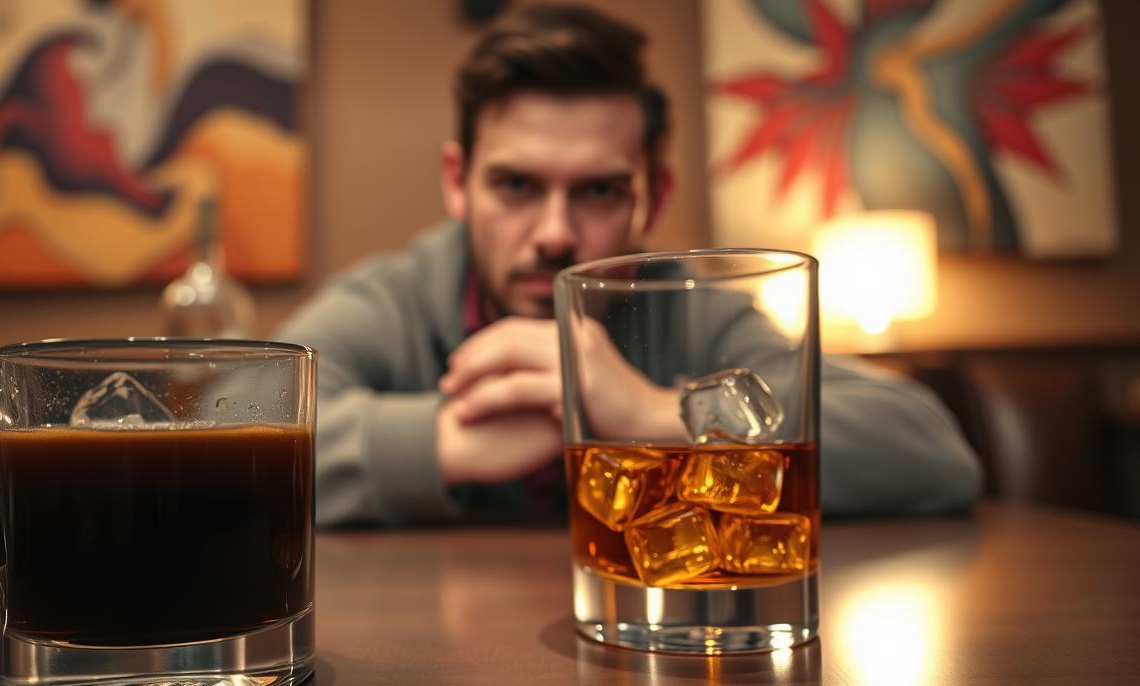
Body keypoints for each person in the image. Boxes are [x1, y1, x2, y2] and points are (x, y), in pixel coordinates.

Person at [278, 3, 982, 527]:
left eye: (599, 191)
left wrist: (655, 415)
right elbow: (226, 436)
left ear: (655, 198)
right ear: (458, 183)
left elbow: (928, 450)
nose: (554, 234)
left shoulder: (695, 311)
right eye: (516, 185)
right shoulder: (388, 303)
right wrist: (448, 440)